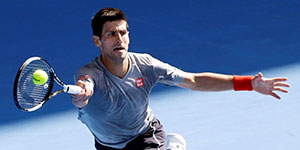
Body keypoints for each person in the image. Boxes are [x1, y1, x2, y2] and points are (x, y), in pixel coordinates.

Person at [70, 7, 290, 150]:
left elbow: (193, 80)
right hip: (107, 145)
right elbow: (84, 90)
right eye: (111, 34)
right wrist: (83, 94)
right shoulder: (90, 74)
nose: (120, 39)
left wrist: (249, 83)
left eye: (123, 32)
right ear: (97, 41)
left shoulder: (146, 65)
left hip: (144, 136)